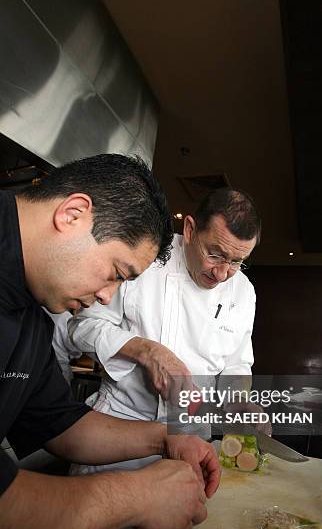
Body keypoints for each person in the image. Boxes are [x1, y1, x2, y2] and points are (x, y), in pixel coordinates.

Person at [0, 153, 220, 529]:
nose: (107, 298)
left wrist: (164, 438)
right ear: (73, 214)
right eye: (116, 273)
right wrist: (138, 496)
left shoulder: (32, 312)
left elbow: (62, 425)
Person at [68, 188, 262, 473]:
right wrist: (145, 351)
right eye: (215, 254)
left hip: (191, 439)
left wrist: (237, 401)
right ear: (190, 229)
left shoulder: (244, 291)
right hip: (119, 431)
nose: (222, 274)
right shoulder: (144, 254)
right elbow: (81, 327)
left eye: (235, 262)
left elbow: (237, 363)